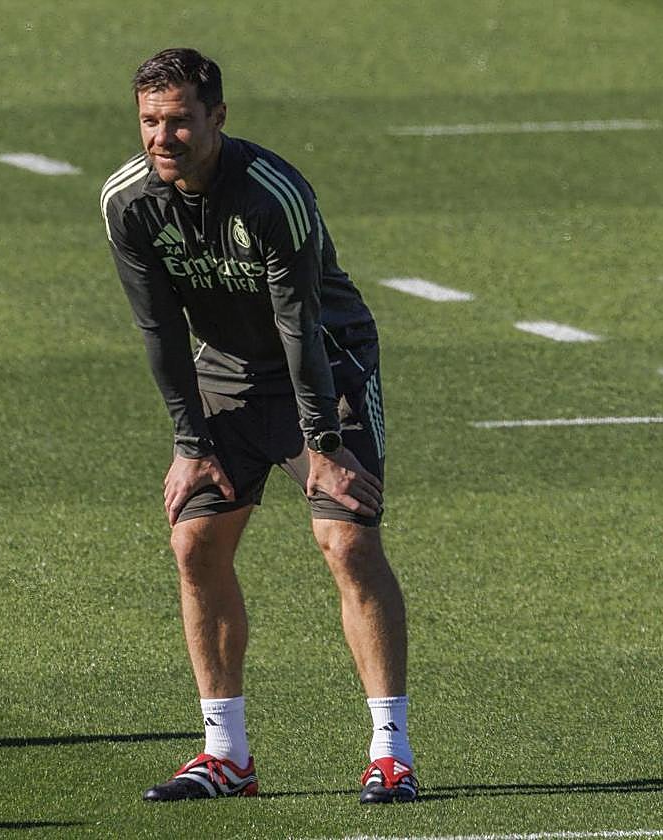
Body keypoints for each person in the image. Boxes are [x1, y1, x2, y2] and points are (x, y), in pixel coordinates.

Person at [100, 48, 418, 805]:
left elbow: (301, 324)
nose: (162, 138)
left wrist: (325, 446)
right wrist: (189, 441)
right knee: (194, 538)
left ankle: (391, 753)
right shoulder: (127, 201)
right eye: (149, 122)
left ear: (217, 117)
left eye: (179, 121)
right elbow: (158, 330)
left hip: (326, 367)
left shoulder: (273, 194)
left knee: (346, 539)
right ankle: (226, 755)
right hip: (226, 371)